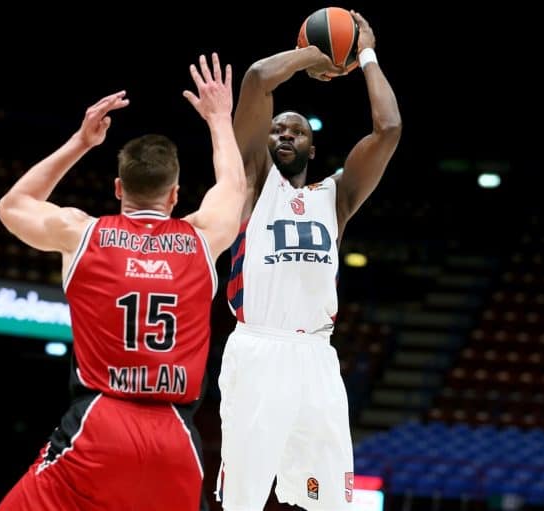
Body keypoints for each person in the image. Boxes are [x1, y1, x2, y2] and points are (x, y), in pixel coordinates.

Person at [0, 53, 246, 511]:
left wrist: (80, 141)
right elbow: (234, 186)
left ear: (117, 188)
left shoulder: (83, 233)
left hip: (99, 423)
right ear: (175, 195)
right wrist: (219, 119)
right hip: (175, 433)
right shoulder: (202, 239)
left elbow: (13, 206)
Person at [216, 11, 402, 510]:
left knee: (326, 501)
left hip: (317, 358)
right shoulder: (252, 184)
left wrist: (363, 52)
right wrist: (318, 56)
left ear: (312, 146)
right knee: (242, 501)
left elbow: (389, 128)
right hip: (258, 348)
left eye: (295, 131)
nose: (283, 135)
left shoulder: (335, 197)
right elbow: (257, 78)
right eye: (277, 129)